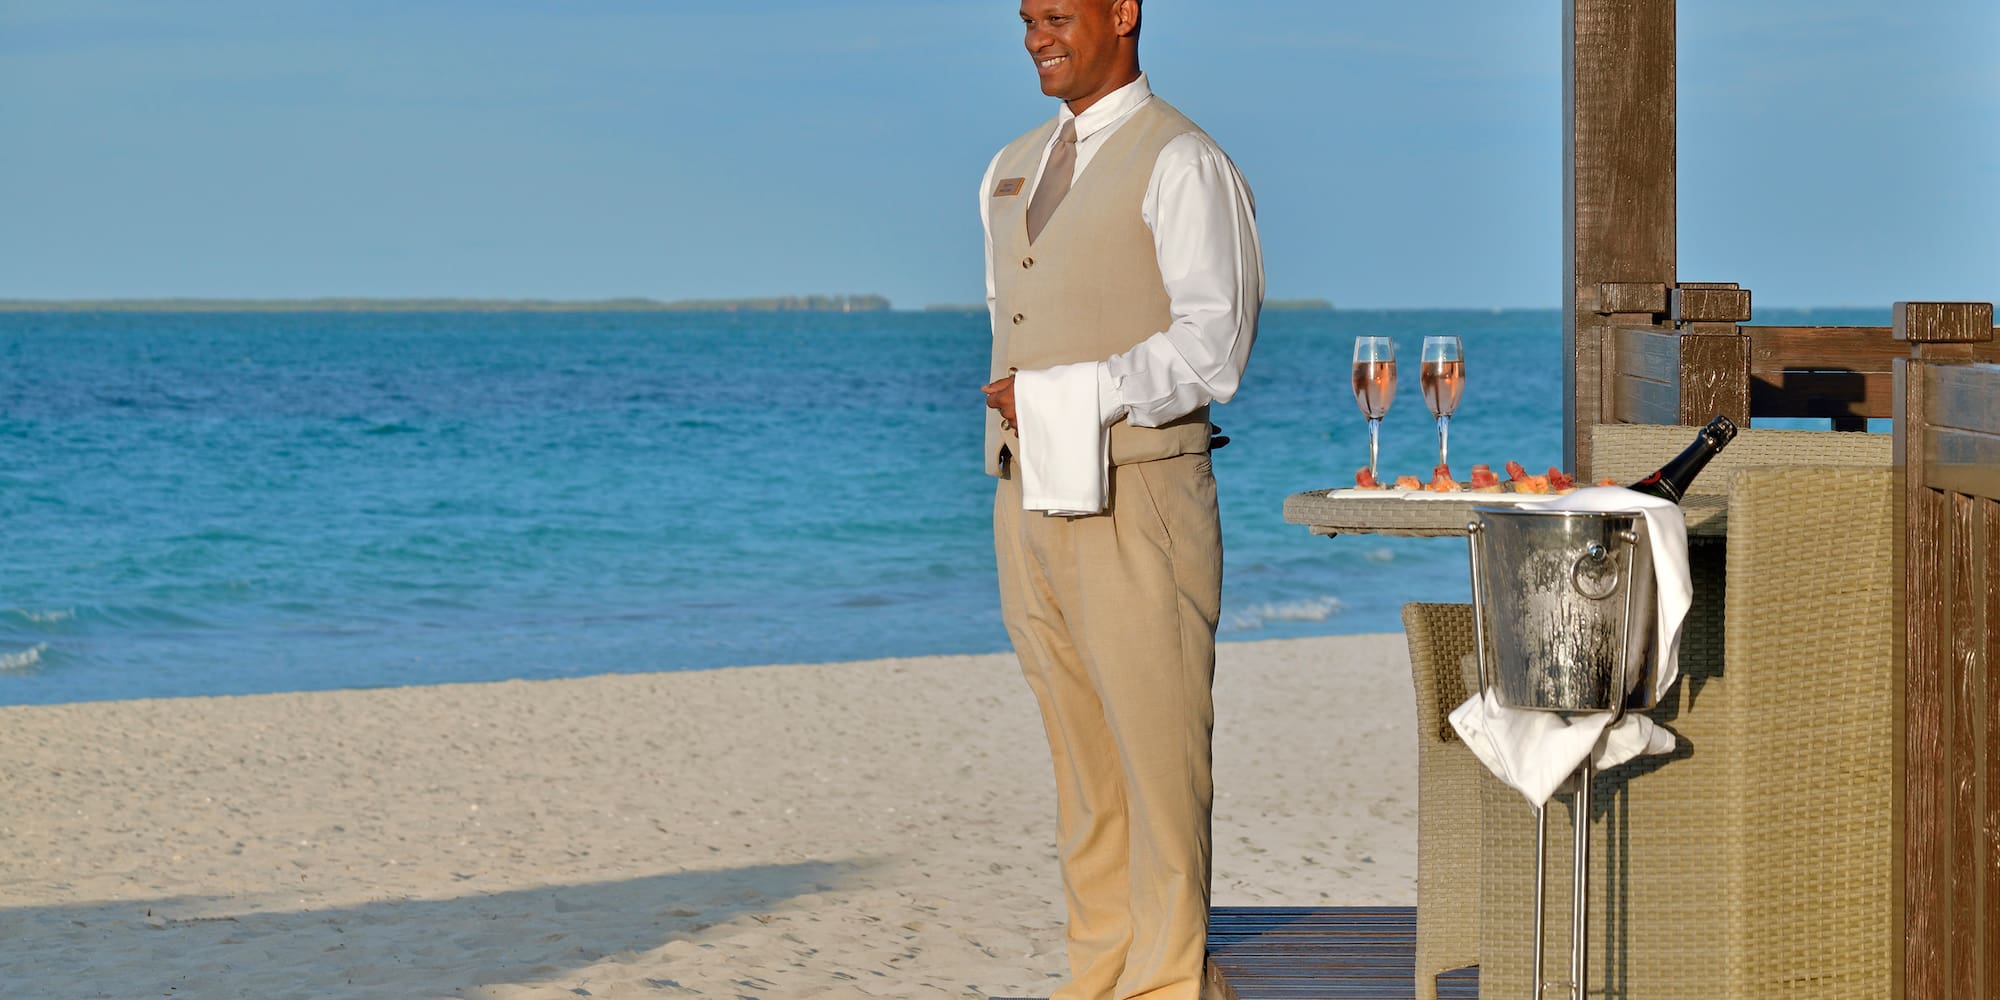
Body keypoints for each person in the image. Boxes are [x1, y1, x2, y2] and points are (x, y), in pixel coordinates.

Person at [978, 2, 1263, 997]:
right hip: (1026, 499)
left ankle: (1169, 985)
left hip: (1138, 498)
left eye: (1055, 15)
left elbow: (1212, 348)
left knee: (1156, 764)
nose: (1034, 37)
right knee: (1083, 772)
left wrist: (1070, 393)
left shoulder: (1183, 162)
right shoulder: (1008, 164)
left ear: (1123, 12)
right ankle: (1098, 977)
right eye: (1024, 19)